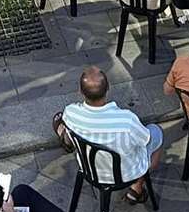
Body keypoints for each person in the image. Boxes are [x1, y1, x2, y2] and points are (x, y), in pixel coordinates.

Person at [56, 65, 163, 203]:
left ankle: (66, 141)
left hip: (89, 169)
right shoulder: (127, 120)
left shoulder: (70, 112)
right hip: (125, 174)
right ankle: (136, 188)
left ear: (80, 91)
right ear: (109, 87)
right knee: (156, 132)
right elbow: (145, 140)